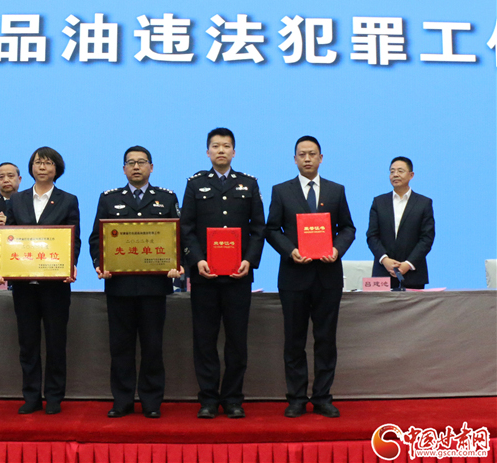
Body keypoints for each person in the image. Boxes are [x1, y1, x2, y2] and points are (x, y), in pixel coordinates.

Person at [88, 146, 182, 419]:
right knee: (121, 347)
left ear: (151, 167)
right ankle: (122, 400)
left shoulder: (166, 198)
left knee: (153, 346)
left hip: (154, 286)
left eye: (141, 162)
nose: (136, 167)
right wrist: (100, 264)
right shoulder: (109, 199)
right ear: (124, 169)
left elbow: (178, 236)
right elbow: (97, 239)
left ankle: (152, 401)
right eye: (131, 163)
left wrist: (178, 264)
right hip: (120, 286)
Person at [265, 135, 355, 418]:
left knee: (325, 340)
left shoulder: (336, 190)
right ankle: (296, 398)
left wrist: (337, 249)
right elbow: (271, 229)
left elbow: (348, 228)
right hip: (294, 277)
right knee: (294, 341)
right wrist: (290, 250)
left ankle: (322, 397)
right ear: (294, 159)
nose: (307, 158)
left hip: (328, 277)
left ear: (321, 158)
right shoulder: (281, 191)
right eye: (302, 154)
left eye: (312, 154)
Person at [180, 128, 265, 419]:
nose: (221, 151)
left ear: (234, 152)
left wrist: (249, 260)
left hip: (238, 276)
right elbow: (186, 228)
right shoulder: (195, 184)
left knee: (236, 341)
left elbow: (258, 228)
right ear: (207, 152)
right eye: (215, 146)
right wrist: (197, 261)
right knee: (204, 340)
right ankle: (207, 399)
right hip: (204, 276)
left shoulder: (248, 184)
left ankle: (232, 399)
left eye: (226, 146)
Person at [0, 147, 80, 415]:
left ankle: (54, 396)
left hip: (55, 285)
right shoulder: (17, 199)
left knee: (55, 342)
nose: (42, 167)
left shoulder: (68, 200)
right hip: (24, 285)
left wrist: (71, 264)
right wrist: (2, 266)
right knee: (28, 343)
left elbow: (73, 238)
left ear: (57, 168)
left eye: (48, 163)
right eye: (38, 162)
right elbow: (9, 237)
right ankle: (31, 395)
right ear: (31, 168)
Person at [367, 157, 435, 290]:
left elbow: (427, 238)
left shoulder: (424, 203)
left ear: (411, 175)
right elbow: (372, 236)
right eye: (392, 171)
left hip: (413, 274)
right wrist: (385, 260)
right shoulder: (379, 202)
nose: (395, 174)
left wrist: (408, 264)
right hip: (383, 273)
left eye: (400, 171)